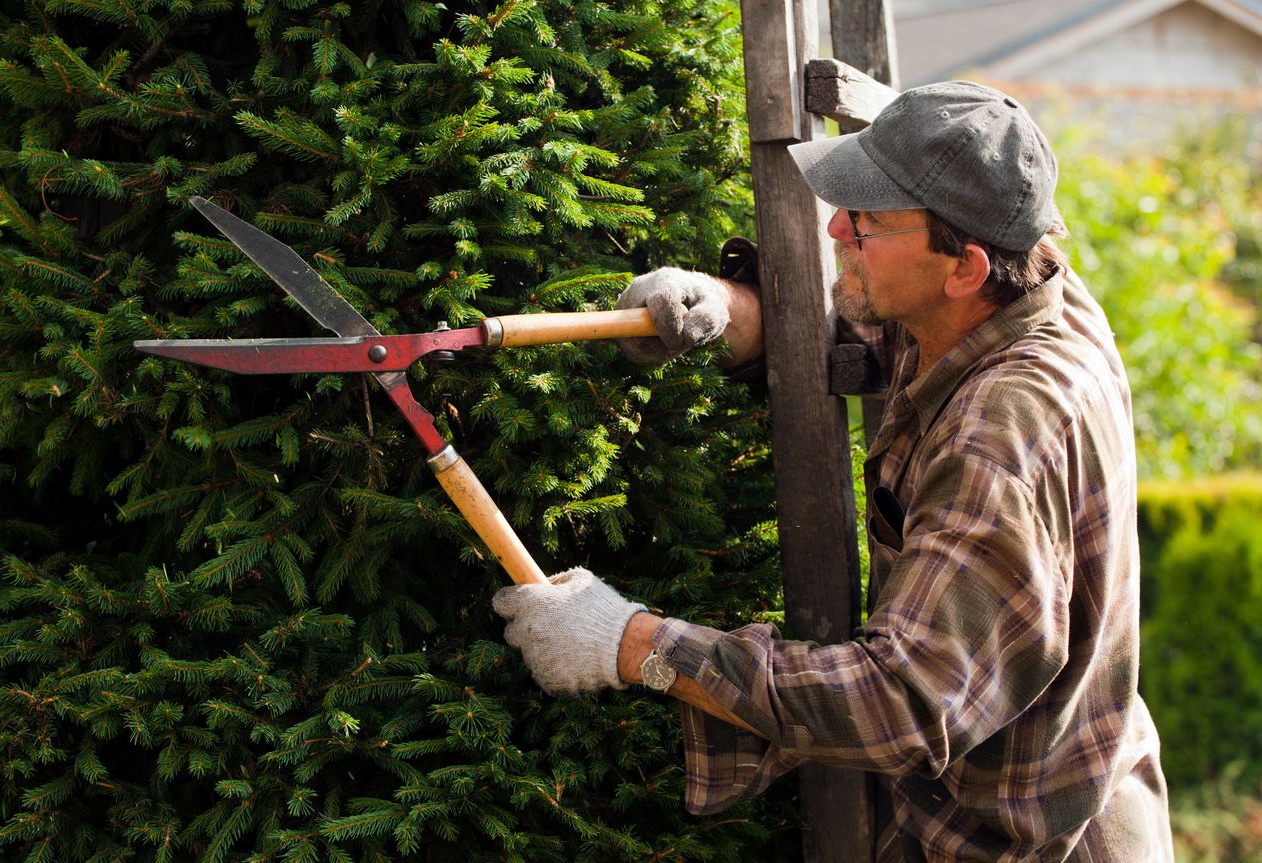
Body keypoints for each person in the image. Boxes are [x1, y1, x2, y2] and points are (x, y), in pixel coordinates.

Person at [492, 81, 1175, 861]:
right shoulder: (1022, 284)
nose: (835, 226)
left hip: (1026, 844)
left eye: (870, 223)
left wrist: (634, 642)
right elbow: (899, 328)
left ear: (965, 266)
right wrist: (735, 312)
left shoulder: (999, 441)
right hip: (1080, 788)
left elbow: (903, 703)